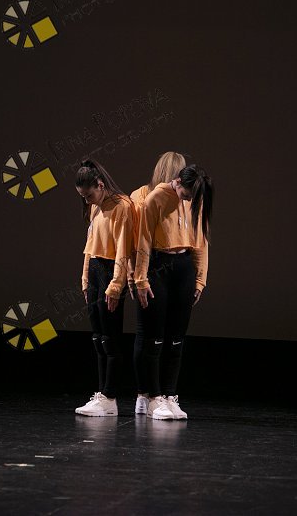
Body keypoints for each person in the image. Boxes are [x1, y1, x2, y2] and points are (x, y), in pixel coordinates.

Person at [133, 163, 213, 420]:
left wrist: (199, 280)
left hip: (183, 266)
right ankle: (154, 397)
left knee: (177, 338)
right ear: (178, 182)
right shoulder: (155, 198)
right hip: (159, 266)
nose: (188, 200)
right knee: (155, 337)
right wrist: (141, 279)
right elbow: (143, 239)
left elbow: (201, 240)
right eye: (186, 195)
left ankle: (170, 396)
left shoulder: (196, 199)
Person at [74, 159, 135, 417]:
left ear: (100, 185)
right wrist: (85, 279)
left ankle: (110, 397)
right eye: (83, 197)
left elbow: (123, 249)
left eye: (88, 195)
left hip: (111, 272)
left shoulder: (123, 206)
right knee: (98, 337)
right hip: (96, 271)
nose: (87, 201)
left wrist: (116, 285)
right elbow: (89, 246)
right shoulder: (95, 208)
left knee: (110, 338)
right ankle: (101, 394)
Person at [128, 152, 187, 415]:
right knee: (148, 334)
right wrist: (134, 274)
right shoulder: (142, 196)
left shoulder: (184, 199)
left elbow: (198, 239)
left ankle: (164, 395)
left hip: (176, 266)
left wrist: (199, 278)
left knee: (170, 335)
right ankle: (146, 394)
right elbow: (135, 239)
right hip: (151, 264)